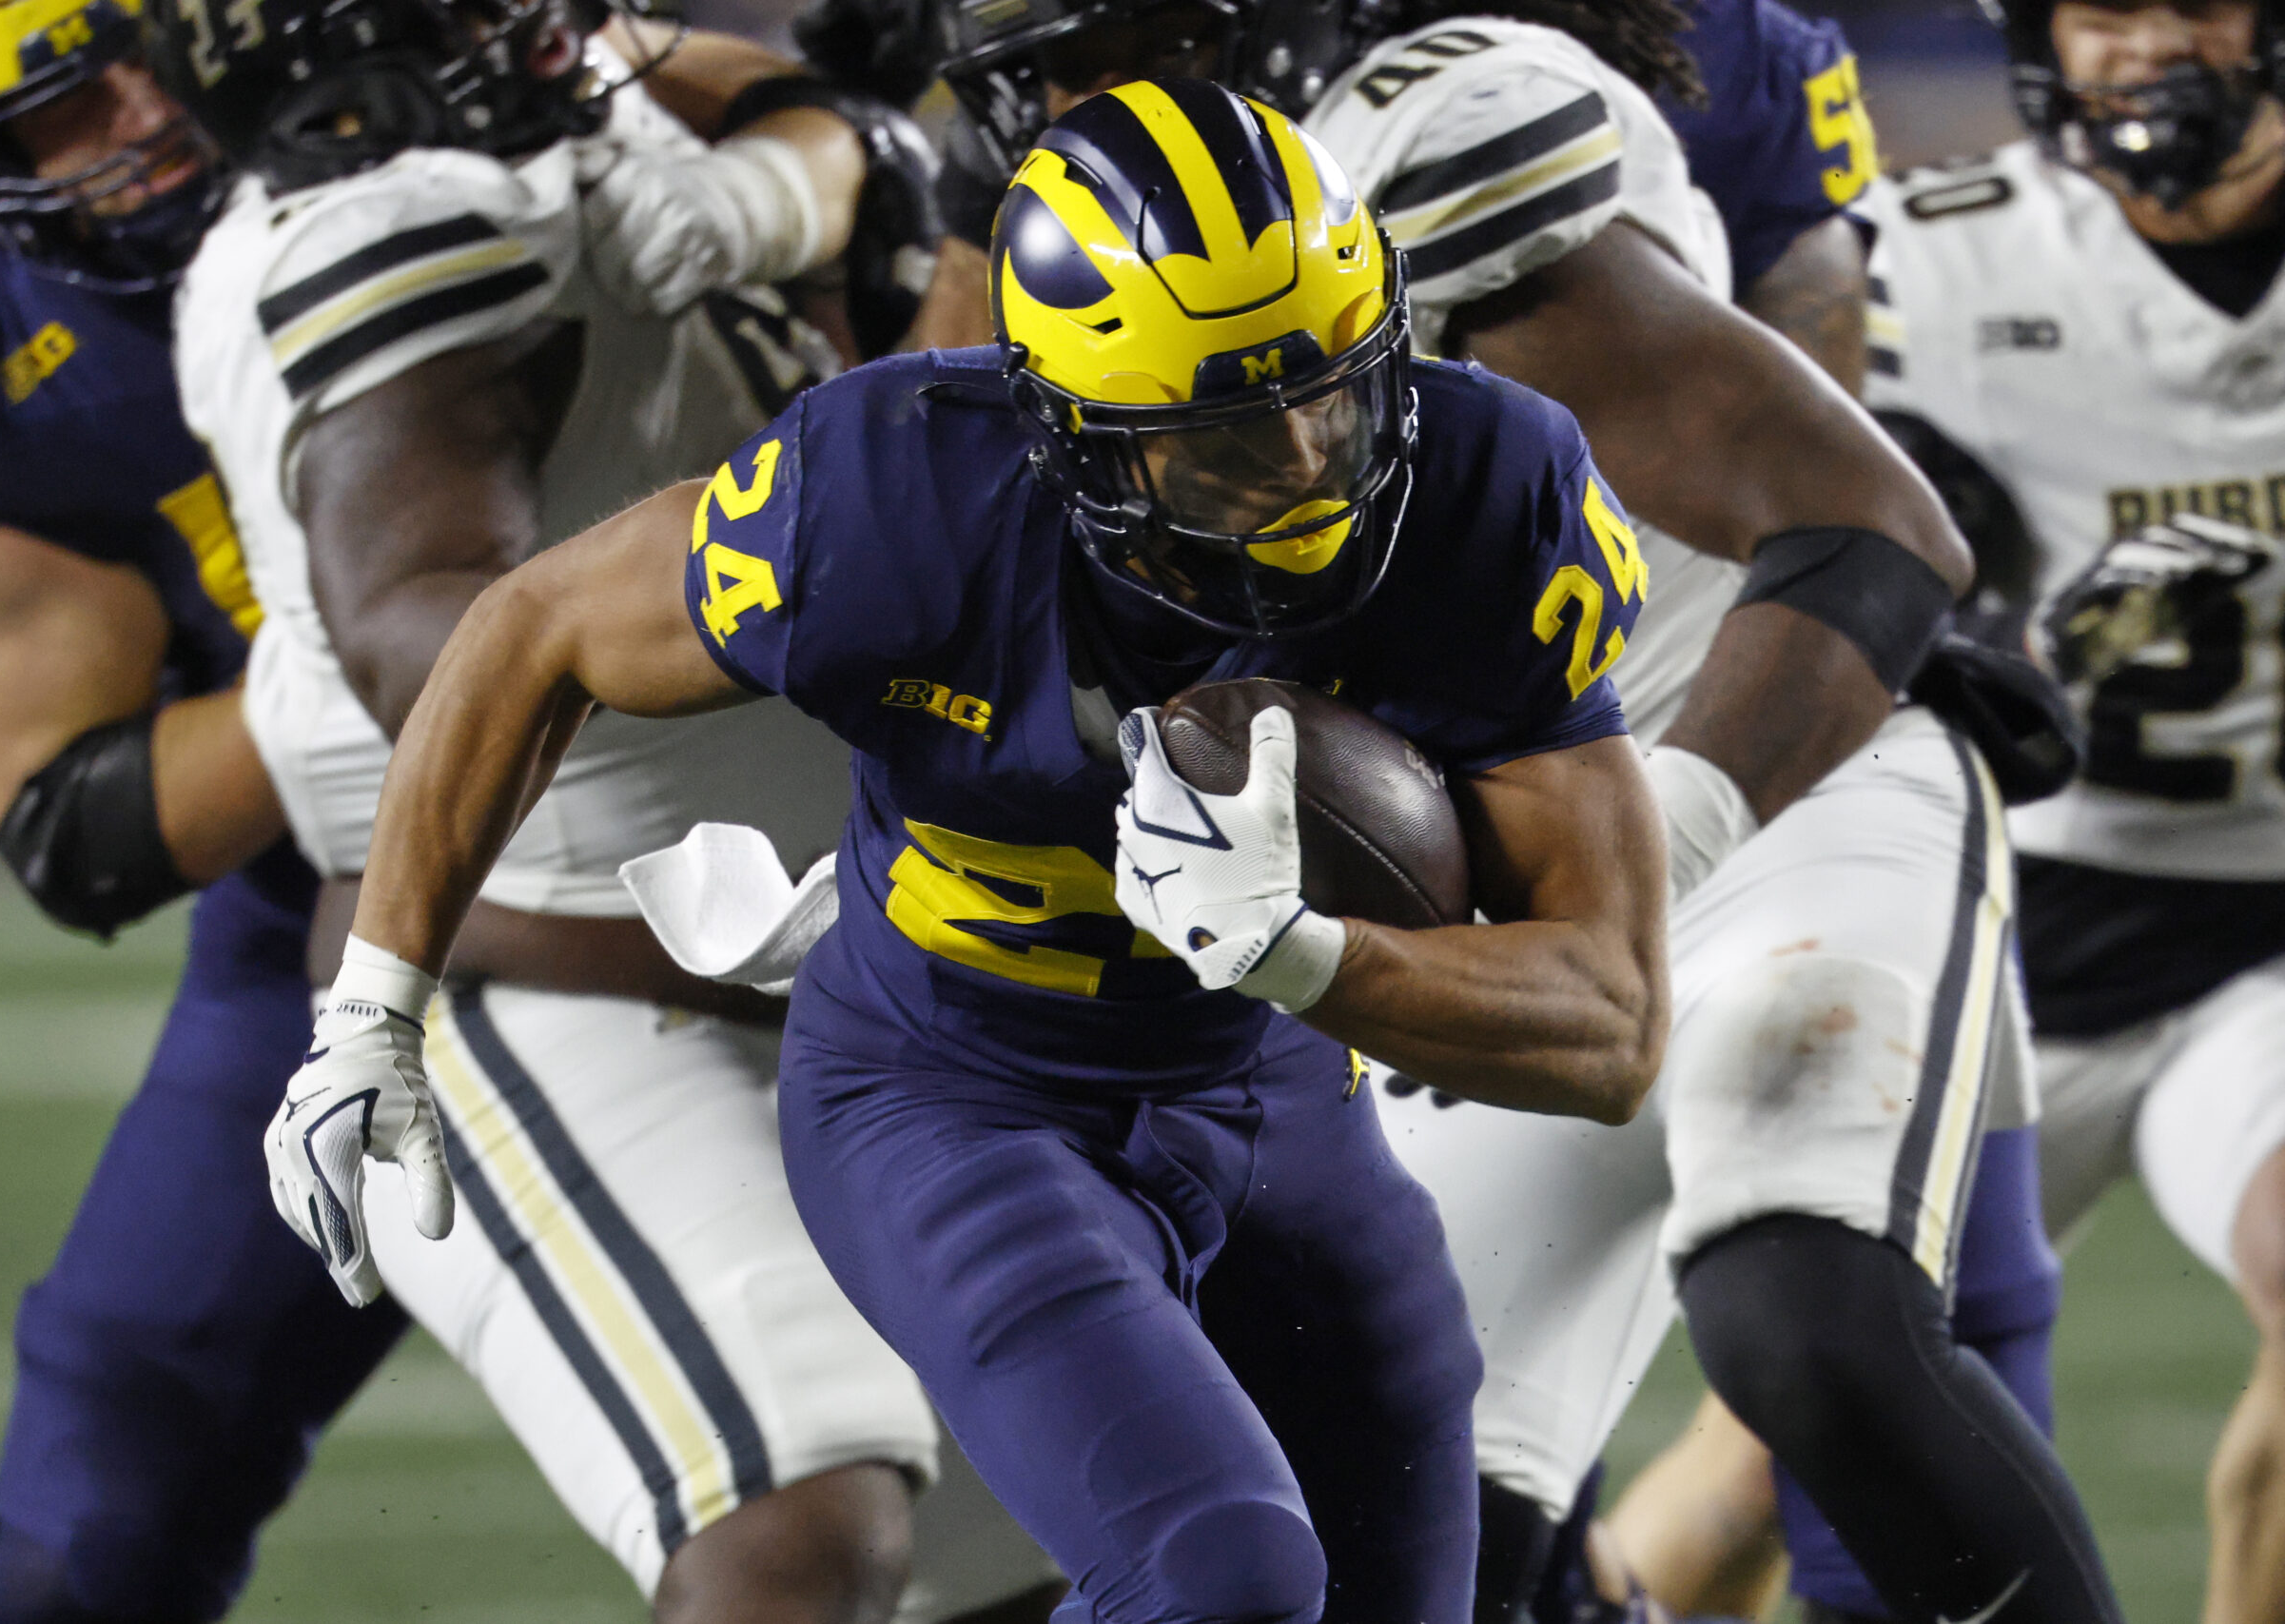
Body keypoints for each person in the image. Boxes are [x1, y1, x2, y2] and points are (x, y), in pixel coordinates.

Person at [268, 79, 1676, 1624]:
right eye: (1223, 441)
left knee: (1408, 1574)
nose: (1304, 475)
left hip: (1270, 1076)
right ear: (1074, 435)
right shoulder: (896, 501)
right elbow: (531, 628)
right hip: (952, 1086)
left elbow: (1606, 1026)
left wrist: (1311, 957)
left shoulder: (1489, 493)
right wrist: (375, 1001)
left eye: (1332, 395)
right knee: (1219, 1575)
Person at [921, 4, 2122, 1622]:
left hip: (1765, 804)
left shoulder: (1440, 127)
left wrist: (1673, 838)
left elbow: (1868, 523)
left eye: (1089, 35)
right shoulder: (1081, 231)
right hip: (1468, 899)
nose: (1043, 90)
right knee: (1402, 1531)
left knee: (1807, 1316)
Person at [148, 0, 1062, 1616]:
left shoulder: (567, 114)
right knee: (791, 1526)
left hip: (842, 974)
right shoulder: (394, 226)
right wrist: (807, 574)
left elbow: (817, 111)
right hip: (545, 989)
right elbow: (428, 639)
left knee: (1067, 1549)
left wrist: (783, 187)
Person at [0, 1, 418, 1616]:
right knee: (105, 1480)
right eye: (66, 108)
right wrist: (410, 664)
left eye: (153, 49)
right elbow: (74, 824)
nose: (143, 118)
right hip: (341, 895)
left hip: (738, 847)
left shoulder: (447, 101)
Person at [1843, 0, 2285, 1616]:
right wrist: (1985, 647)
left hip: (2264, 931)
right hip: (2015, 917)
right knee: (1818, 1427)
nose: (2142, 46)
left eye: (2191, 1)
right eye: (2100, 6)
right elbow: (1807, 563)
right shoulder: (1936, 260)